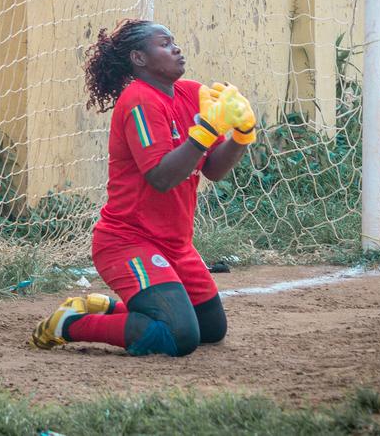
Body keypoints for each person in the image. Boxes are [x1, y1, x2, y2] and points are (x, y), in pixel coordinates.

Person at [30, 18, 256, 357]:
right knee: (178, 337)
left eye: (174, 41)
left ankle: (105, 308)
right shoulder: (139, 101)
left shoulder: (193, 93)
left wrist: (242, 134)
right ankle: (70, 324)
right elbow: (161, 178)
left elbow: (214, 170)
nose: (176, 48)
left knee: (210, 329)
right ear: (139, 58)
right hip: (128, 241)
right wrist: (206, 131)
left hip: (176, 245)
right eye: (164, 44)